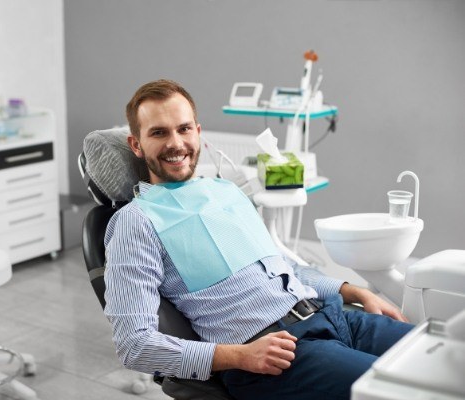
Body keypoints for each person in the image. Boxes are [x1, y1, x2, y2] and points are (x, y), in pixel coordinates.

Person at [103, 79, 412, 400]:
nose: (176, 143)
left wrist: (356, 291)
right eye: (158, 132)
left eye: (184, 129)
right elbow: (134, 345)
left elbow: (282, 265)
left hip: (333, 317)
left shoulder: (225, 192)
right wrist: (240, 356)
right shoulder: (134, 222)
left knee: (444, 357)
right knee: (404, 393)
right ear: (136, 145)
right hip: (273, 355)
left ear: (197, 131)